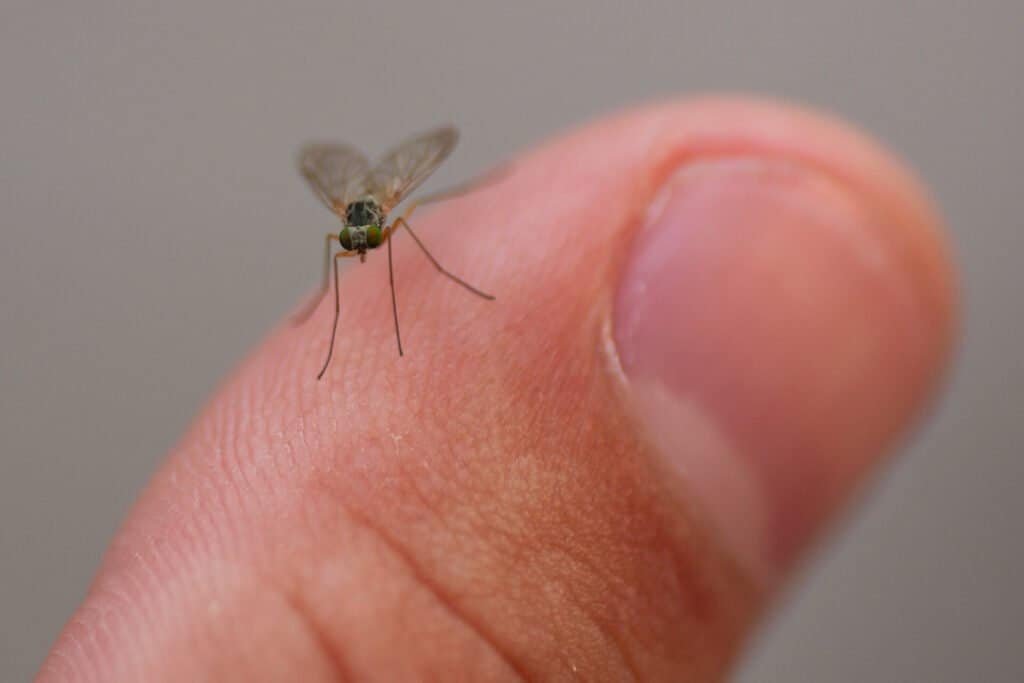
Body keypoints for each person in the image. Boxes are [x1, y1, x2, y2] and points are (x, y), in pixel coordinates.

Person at [38, 97, 957, 681]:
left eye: (368, 231)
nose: (364, 239)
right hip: (356, 188)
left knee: (430, 223)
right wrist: (337, 293)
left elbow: (400, 200)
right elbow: (337, 202)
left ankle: (461, 216)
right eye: (360, 233)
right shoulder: (345, 223)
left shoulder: (393, 207)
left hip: (405, 182)